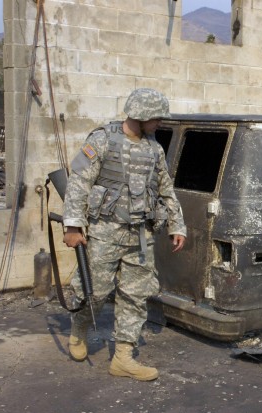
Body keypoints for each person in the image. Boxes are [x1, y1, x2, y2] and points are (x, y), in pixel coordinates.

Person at [62, 88, 186, 381]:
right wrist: (72, 226)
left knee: (136, 295)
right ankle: (79, 328)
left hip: (140, 235)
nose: (158, 123)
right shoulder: (102, 139)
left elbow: (166, 188)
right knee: (95, 291)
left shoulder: (154, 149)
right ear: (141, 115)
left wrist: (176, 225)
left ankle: (123, 358)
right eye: (155, 118)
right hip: (105, 232)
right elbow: (79, 182)